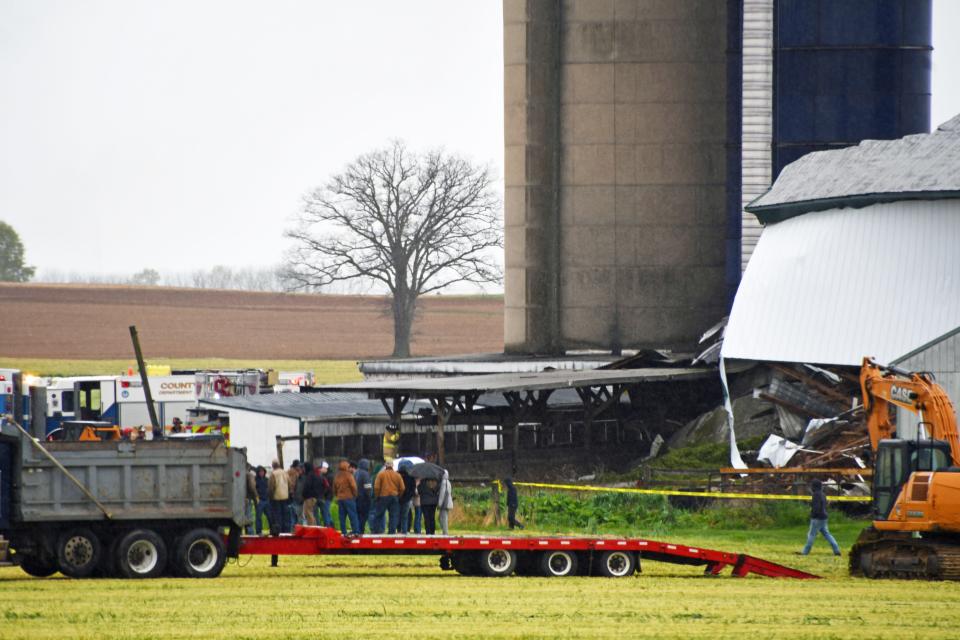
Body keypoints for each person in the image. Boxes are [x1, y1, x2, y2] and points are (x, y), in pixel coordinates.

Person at [798, 479, 841, 556]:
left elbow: (816, 507)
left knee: (811, 535)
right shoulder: (823, 494)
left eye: (812, 486)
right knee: (827, 534)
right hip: (824, 517)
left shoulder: (816, 495)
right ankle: (836, 549)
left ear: (814, 487)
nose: (811, 488)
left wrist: (813, 515)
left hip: (817, 518)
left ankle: (805, 552)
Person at [373, 460, 404, 534]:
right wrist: (399, 495)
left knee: (379, 515)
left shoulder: (381, 474)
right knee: (393, 516)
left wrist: (377, 496)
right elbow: (402, 488)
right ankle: (392, 532)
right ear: (392, 466)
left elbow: (376, 487)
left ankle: (377, 531)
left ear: (385, 466)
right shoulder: (397, 475)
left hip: (383, 496)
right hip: (394, 496)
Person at [333, 460, 359, 535]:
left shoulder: (337, 476)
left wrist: (337, 496)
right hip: (349, 498)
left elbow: (334, 488)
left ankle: (343, 532)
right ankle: (355, 531)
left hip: (340, 499)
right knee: (352, 515)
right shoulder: (349, 475)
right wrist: (355, 495)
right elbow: (354, 487)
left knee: (342, 517)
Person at [267, 459, 289, 536]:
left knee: (277, 515)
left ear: (273, 465)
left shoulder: (273, 474)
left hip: (276, 497)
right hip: (285, 497)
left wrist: (270, 496)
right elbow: (289, 484)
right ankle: (286, 531)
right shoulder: (285, 472)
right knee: (285, 515)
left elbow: (271, 487)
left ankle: (278, 531)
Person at [354, 459, 373, 534]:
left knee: (358, 515)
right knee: (363, 516)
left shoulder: (356, 473)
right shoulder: (365, 474)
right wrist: (370, 496)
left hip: (356, 498)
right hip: (364, 499)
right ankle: (361, 530)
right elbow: (368, 487)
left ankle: (357, 530)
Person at [398, 461, 416, 534]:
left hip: (398, 498)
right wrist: (410, 496)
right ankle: (405, 531)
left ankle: (398, 529)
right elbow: (413, 488)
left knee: (397, 515)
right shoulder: (410, 477)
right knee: (405, 516)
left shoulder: (397, 476)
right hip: (407, 499)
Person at [301, 461, 321, 526]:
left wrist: (303, 494)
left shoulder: (309, 475)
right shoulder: (316, 475)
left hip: (309, 497)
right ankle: (314, 526)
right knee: (311, 512)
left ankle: (311, 526)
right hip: (315, 496)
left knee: (308, 513)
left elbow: (307, 486)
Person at [287, 460, 303, 530]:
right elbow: (292, 484)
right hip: (292, 495)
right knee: (294, 513)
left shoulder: (289, 471)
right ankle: (294, 528)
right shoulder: (294, 473)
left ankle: (293, 527)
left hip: (287, 494)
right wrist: (292, 492)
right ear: (296, 466)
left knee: (292, 513)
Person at [318, 461, 334, 527]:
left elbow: (327, 488)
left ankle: (328, 526)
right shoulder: (328, 475)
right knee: (326, 511)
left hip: (327, 496)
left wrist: (322, 494)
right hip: (328, 496)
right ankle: (330, 525)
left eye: (321, 468)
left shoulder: (328, 477)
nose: (320, 469)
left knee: (325, 511)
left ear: (325, 468)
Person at [437, 468, 453, 535]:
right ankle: (444, 531)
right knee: (442, 517)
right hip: (448, 502)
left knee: (443, 518)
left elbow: (442, 494)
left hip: (445, 503)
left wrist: (439, 504)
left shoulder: (443, 483)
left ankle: (445, 532)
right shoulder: (448, 482)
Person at [254, 465, 269, 535]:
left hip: (266, 500)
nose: (261, 473)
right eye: (260, 472)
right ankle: (259, 531)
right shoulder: (255, 480)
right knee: (258, 517)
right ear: (258, 472)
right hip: (260, 500)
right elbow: (254, 489)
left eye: (263, 471)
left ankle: (272, 530)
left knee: (270, 516)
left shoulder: (267, 480)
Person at [245, 466, 258, 534]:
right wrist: (256, 496)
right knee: (248, 517)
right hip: (247, 498)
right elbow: (252, 487)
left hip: (237, 500)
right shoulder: (249, 475)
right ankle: (250, 533)